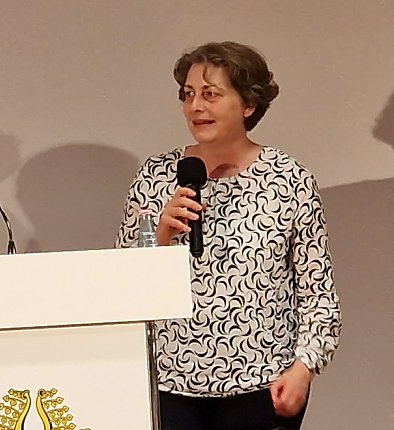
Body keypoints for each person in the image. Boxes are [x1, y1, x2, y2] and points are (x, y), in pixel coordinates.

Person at [115, 42, 341, 430]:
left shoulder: (288, 179)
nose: (195, 107)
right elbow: (122, 286)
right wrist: (161, 235)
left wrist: (304, 368)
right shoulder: (154, 178)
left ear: (248, 104)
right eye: (188, 95)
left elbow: (319, 295)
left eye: (211, 94)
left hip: (263, 384)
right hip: (169, 385)